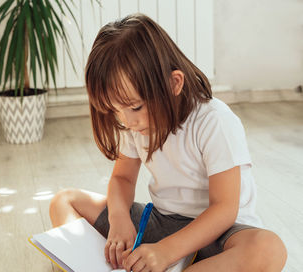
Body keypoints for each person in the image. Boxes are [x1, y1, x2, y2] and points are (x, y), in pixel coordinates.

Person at [49, 13, 287, 272]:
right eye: (114, 111)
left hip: (219, 234)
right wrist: (119, 220)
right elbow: (122, 180)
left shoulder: (214, 121)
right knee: (65, 200)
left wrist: (167, 251)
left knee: (268, 249)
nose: (126, 121)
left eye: (134, 107)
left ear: (174, 83)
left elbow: (224, 209)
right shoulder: (135, 122)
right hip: (163, 223)